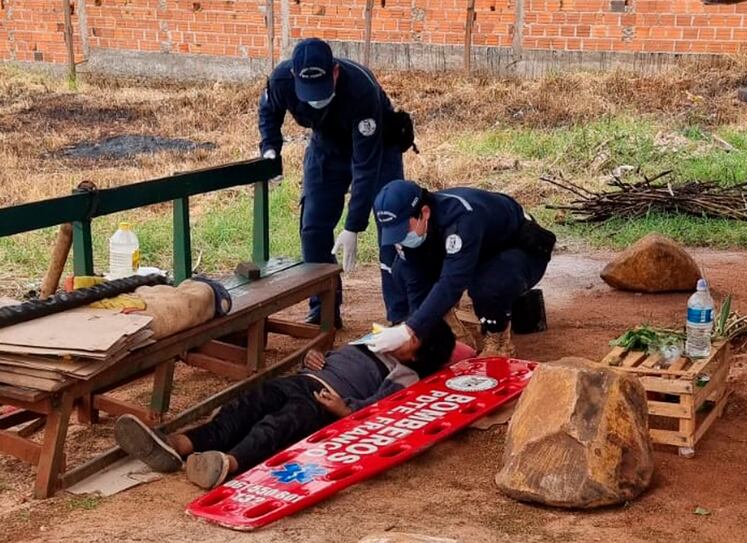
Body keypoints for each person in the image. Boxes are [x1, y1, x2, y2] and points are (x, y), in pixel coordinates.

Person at [114, 321, 455, 490]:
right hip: (300, 381)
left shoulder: (404, 374)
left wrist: (344, 410)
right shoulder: (375, 342)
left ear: (418, 354)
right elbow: (331, 358)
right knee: (245, 406)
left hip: (322, 404)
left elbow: (378, 410)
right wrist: (314, 356)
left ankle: (225, 464)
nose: (403, 333)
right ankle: (178, 445)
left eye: (412, 337)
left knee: (277, 426)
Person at [258, 37, 417, 328]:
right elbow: (269, 110)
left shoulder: (360, 89)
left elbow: (366, 167)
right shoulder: (281, 80)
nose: (316, 98)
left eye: (322, 89)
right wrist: (270, 149)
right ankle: (325, 312)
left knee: (391, 223)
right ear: (294, 76)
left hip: (377, 147)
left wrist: (353, 226)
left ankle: (402, 315)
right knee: (313, 226)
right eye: (309, 92)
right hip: (326, 147)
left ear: (334, 73)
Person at [366, 179, 555, 358]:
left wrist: (410, 329)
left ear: (424, 213)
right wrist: (417, 328)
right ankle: (448, 328)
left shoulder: (461, 219)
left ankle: (498, 339)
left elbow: (453, 280)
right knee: (400, 270)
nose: (401, 237)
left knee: (488, 286)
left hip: (519, 248)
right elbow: (416, 279)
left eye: (403, 230)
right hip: (476, 252)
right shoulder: (414, 227)